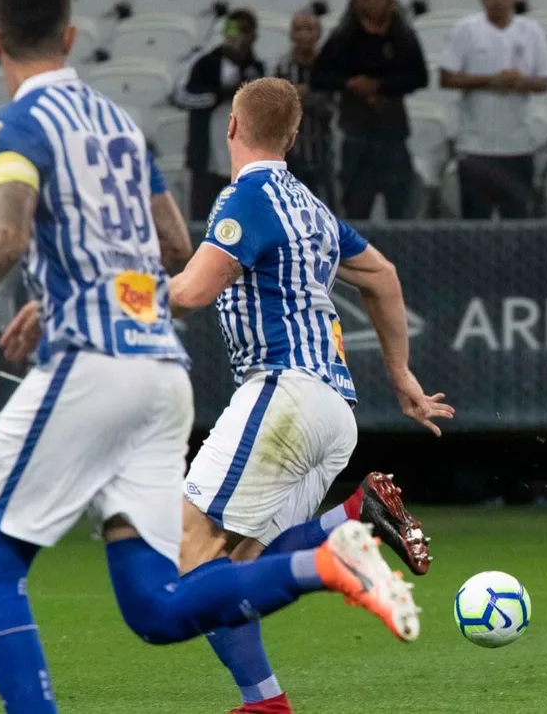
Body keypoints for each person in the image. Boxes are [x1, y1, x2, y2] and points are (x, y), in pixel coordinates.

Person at [0, 0, 418, 712]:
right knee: (163, 605)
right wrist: (401, 374)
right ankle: (326, 560)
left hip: (183, 375)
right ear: (70, 36)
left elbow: (17, 241)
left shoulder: (24, 127)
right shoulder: (124, 129)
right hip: (190, 384)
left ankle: (332, 548)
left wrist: (79, 296)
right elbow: (173, 244)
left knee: (14, 559)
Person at [167, 77, 453, 713]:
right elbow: (383, 275)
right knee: (239, 572)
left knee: (186, 551)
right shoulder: (309, 206)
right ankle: (352, 521)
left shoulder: (248, 198)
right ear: (293, 138)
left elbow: (189, 293)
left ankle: (270, 694)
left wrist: (112, 303)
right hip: (333, 411)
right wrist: (401, 374)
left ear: (232, 128)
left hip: (284, 393)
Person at [311, 0, 428, 220]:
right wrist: (350, 84)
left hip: (393, 133)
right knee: (356, 209)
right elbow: (320, 76)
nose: (373, 4)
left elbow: (419, 77)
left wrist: (380, 87)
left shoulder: (403, 36)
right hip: (356, 134)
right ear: (356, 2)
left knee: (401, 209)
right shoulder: (343, 37)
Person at [439, 0, 547, 219]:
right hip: (475, 147)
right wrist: (492, 80)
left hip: (519, 146)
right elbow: (446, 78)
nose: (498, 0)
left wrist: (520, 82)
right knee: (475, 224)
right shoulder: (466, 29)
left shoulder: (531, 30)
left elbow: (545, 81)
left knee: (517, 225)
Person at [174, 8, 265, 220]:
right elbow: (180, 96)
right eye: (231, 30)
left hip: (243, 160)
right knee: (205, 217)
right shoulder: (205, 63)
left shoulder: (258, 69)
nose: (235, 36)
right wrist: (216, 96)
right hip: (207, 158)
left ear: (252, 36)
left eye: (242, 31)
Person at [275, 9, 337, 208]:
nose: (304, 35)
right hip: (292, 152)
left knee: (329, 210)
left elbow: (335, 105)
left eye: (309, 29)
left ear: (318, 33)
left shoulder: (329, 66)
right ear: (292, 35)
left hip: (325, 149)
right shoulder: (282, 68)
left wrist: (306, 95)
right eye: (299, 29)